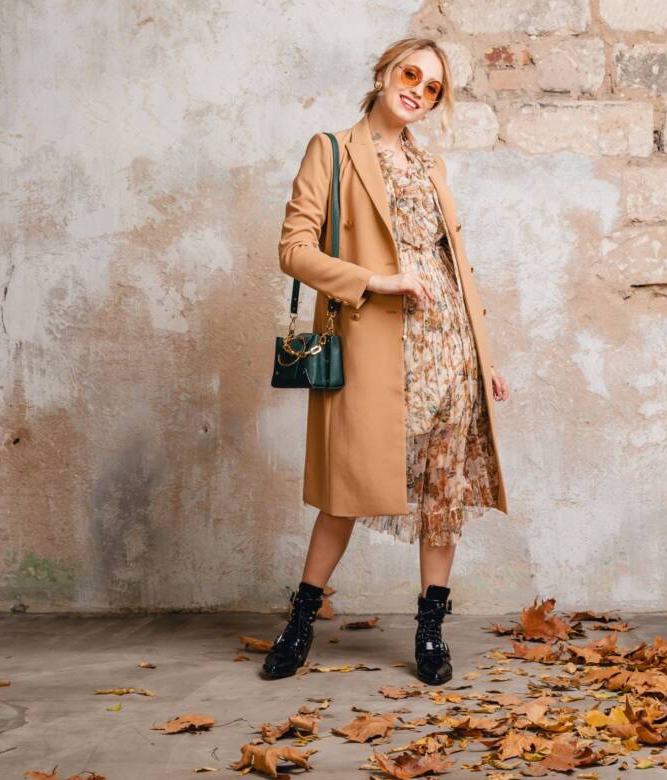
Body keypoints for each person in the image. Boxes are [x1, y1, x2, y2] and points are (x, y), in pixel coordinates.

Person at [265, 37, 510, 685]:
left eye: (432, 88)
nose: (418, 92)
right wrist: (378, 282)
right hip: (378, 348)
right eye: (410, 75)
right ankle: (300, 621)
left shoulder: (431, 165)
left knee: (442, 495)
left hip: (449, 352)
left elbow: (455, 266)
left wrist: (483, 358)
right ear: (382, 72)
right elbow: (293, 251)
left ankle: (430, 631)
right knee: (346, 491)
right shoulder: (332, 151)